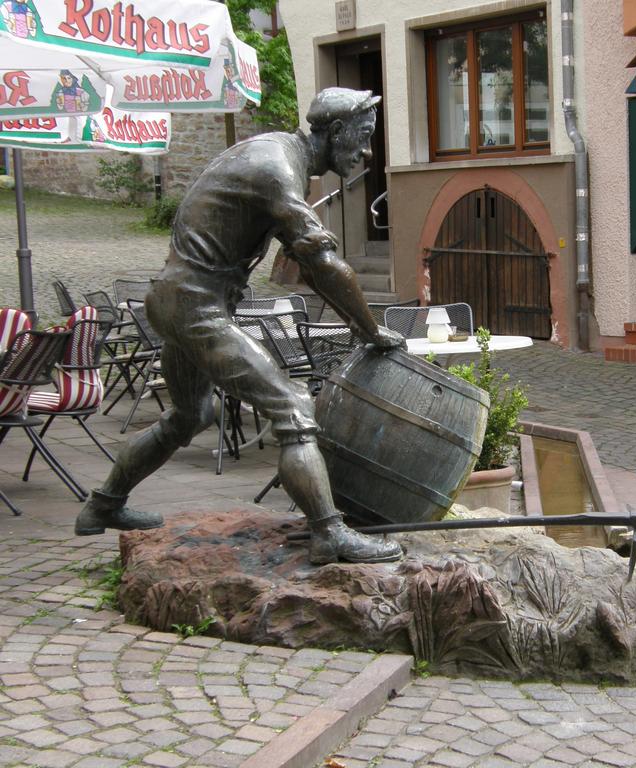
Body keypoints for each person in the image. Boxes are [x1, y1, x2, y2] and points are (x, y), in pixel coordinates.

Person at [75, 88, 404, 565]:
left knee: (191, 416)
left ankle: (103, 505)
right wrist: (371, 330)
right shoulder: (277, 170)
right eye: (364, 137)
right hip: (196, 308)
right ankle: (329, 533)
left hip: (178, 301)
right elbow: (324, 267)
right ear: (335, 133)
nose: (367, 151)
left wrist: (353, 317)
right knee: (292, 404)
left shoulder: (275, 153)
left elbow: (309, 265)